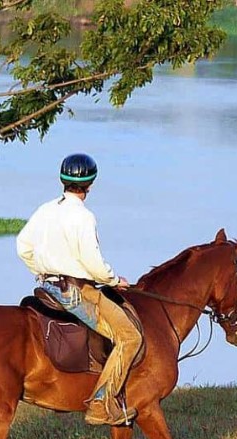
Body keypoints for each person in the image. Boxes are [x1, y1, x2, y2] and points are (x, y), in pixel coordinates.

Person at [16, 153, 144, 424]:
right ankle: (100, 404)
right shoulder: (84, 217)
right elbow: (92, 263)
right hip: (78, 293)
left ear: (62, 180)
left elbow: (23, 245)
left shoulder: (46, 209)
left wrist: (38, 268)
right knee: (130, 337)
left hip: (48, 288)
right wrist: (113, 279)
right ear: (91, 184)